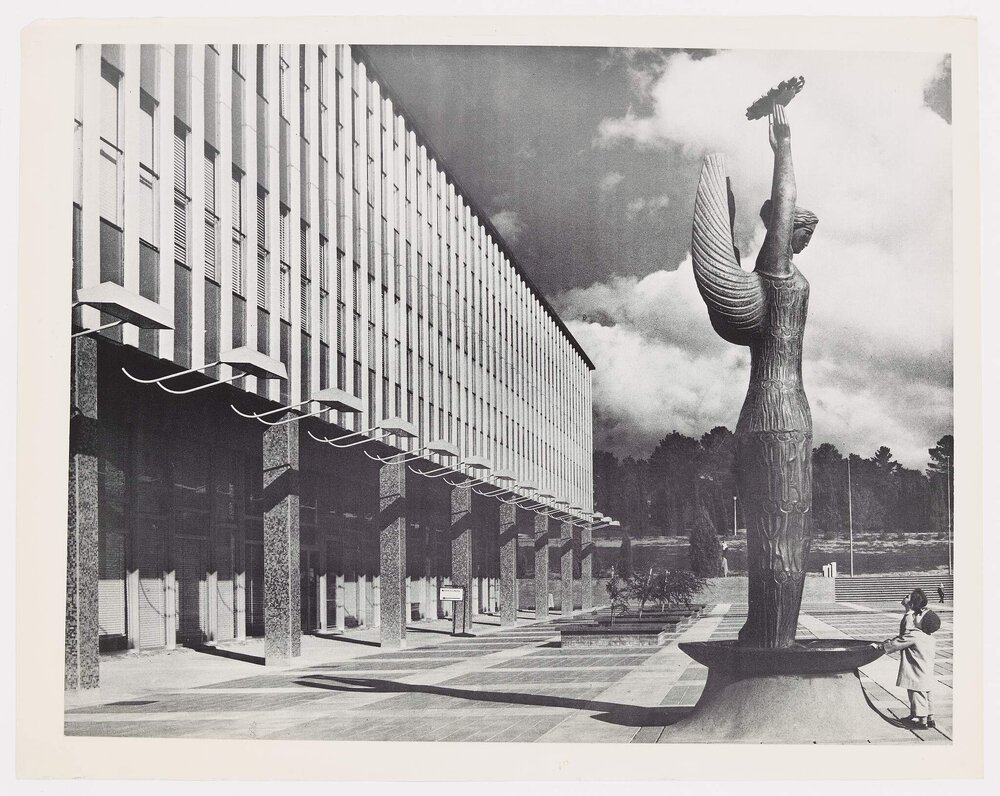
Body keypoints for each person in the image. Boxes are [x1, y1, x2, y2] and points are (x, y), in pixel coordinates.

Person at [876, 589, 940, 729]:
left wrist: (884, 646)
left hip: (916, 670)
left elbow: (899, 642)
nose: (914, 616)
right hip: (926, 669)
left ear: (922, 622)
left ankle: (921, 720)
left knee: (916, 692)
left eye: (917, 615)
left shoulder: (916, 635)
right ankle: (930, 717)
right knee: (927, 692)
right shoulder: (929, 637)